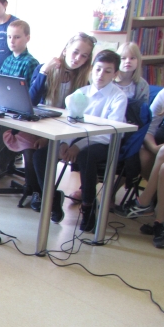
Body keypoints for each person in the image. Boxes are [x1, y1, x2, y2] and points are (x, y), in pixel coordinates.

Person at [32, 50, 127, 232]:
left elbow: (110, 132)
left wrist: (78, 145)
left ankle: (88, 206)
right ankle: (52, 199)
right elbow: (70, 123)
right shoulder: (81, 93)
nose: (101, 75)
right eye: (98, 69)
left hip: (104, 142)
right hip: (76, 139)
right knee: (40, 156)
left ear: (115, 74)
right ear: (92, 69)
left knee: (86, 156)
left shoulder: (118, 97)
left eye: (108, 71)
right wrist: (64, 143)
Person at [27, 32, 97, 206]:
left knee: (40, 153)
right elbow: (30, 101)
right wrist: (44, 72)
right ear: (65, 50)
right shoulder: (46, 69)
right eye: (75, 52)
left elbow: (77, 117)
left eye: (84, 56)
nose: (78, 58)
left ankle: (47, 198)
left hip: (65, 131)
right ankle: (40, 194)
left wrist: (54, 138)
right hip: (40, 124)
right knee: (30, 147)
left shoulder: (85, 80)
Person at [0, 20, 39, 180]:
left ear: (27, 38)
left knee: (1, 126)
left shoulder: (30, 63)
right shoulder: (8, 60)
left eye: (17, 37)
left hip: (19, 115)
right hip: (5, 108)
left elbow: (31, 96)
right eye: (9, 37)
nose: (12, 41)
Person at [138, 74, 164, 180]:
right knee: (143, 156)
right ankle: (155, 190)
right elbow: (148, 129)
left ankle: (149, 191)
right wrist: (154, 148)